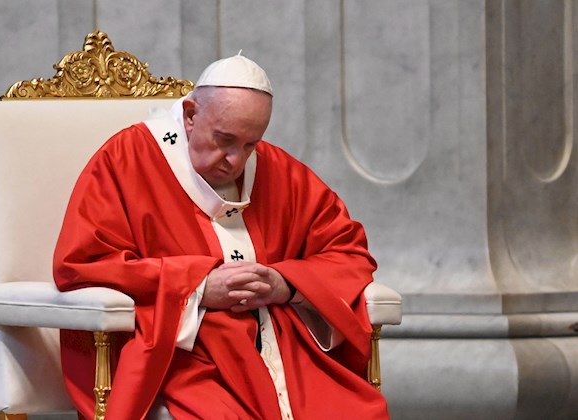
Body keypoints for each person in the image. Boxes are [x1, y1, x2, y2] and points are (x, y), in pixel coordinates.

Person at [53, 53, 389, 419]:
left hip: (281, 347)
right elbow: (82, 264)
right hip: (180, 356)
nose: (236, 161)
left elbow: (347, 252)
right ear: (190, 114)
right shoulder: (126, 160)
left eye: (250, 145)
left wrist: (285, 284)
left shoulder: (277, 170)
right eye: (224, 140)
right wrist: (196, 288)